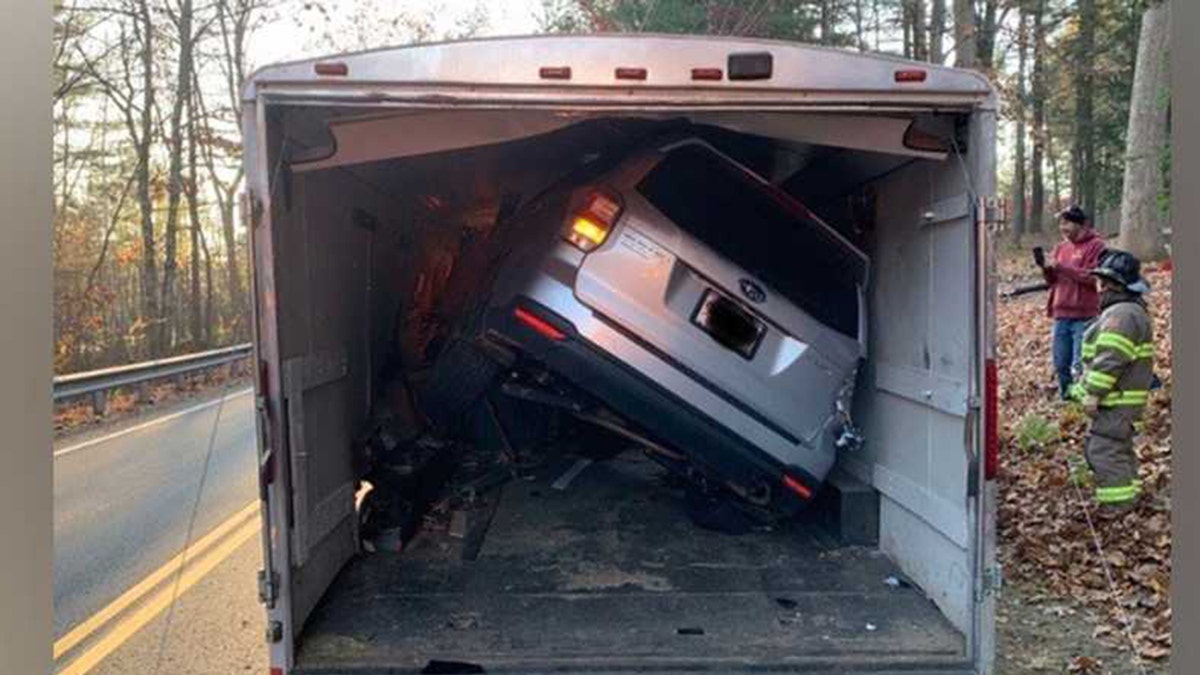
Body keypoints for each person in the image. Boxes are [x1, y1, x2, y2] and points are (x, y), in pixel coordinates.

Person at [1069, 250, 1154, 513]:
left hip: (1115, 401)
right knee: (1118, 448)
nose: (1100, 288)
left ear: (1112, 284)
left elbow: (1110, 359)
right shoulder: (1129, 311)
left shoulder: (1121, 316)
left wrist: (1092, 392)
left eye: (1103, 283)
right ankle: (1131, 498)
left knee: (1104, 451)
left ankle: (1118, 507)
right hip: (1122, 400)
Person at [1040, 205, 1107, 399]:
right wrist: (1047, 269)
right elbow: (1052, 282)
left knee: (1080, 364)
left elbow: (1093, 278)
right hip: (1061, 314)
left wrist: (1061, 267)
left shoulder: (1096, 246)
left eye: (1067, 222)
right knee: (1061, 363)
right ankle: (1066, 399)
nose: (1063, 227)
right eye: (1061, 223)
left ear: (1081, 224)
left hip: (1084, 315)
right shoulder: (1061, 248)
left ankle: (1082, 402)